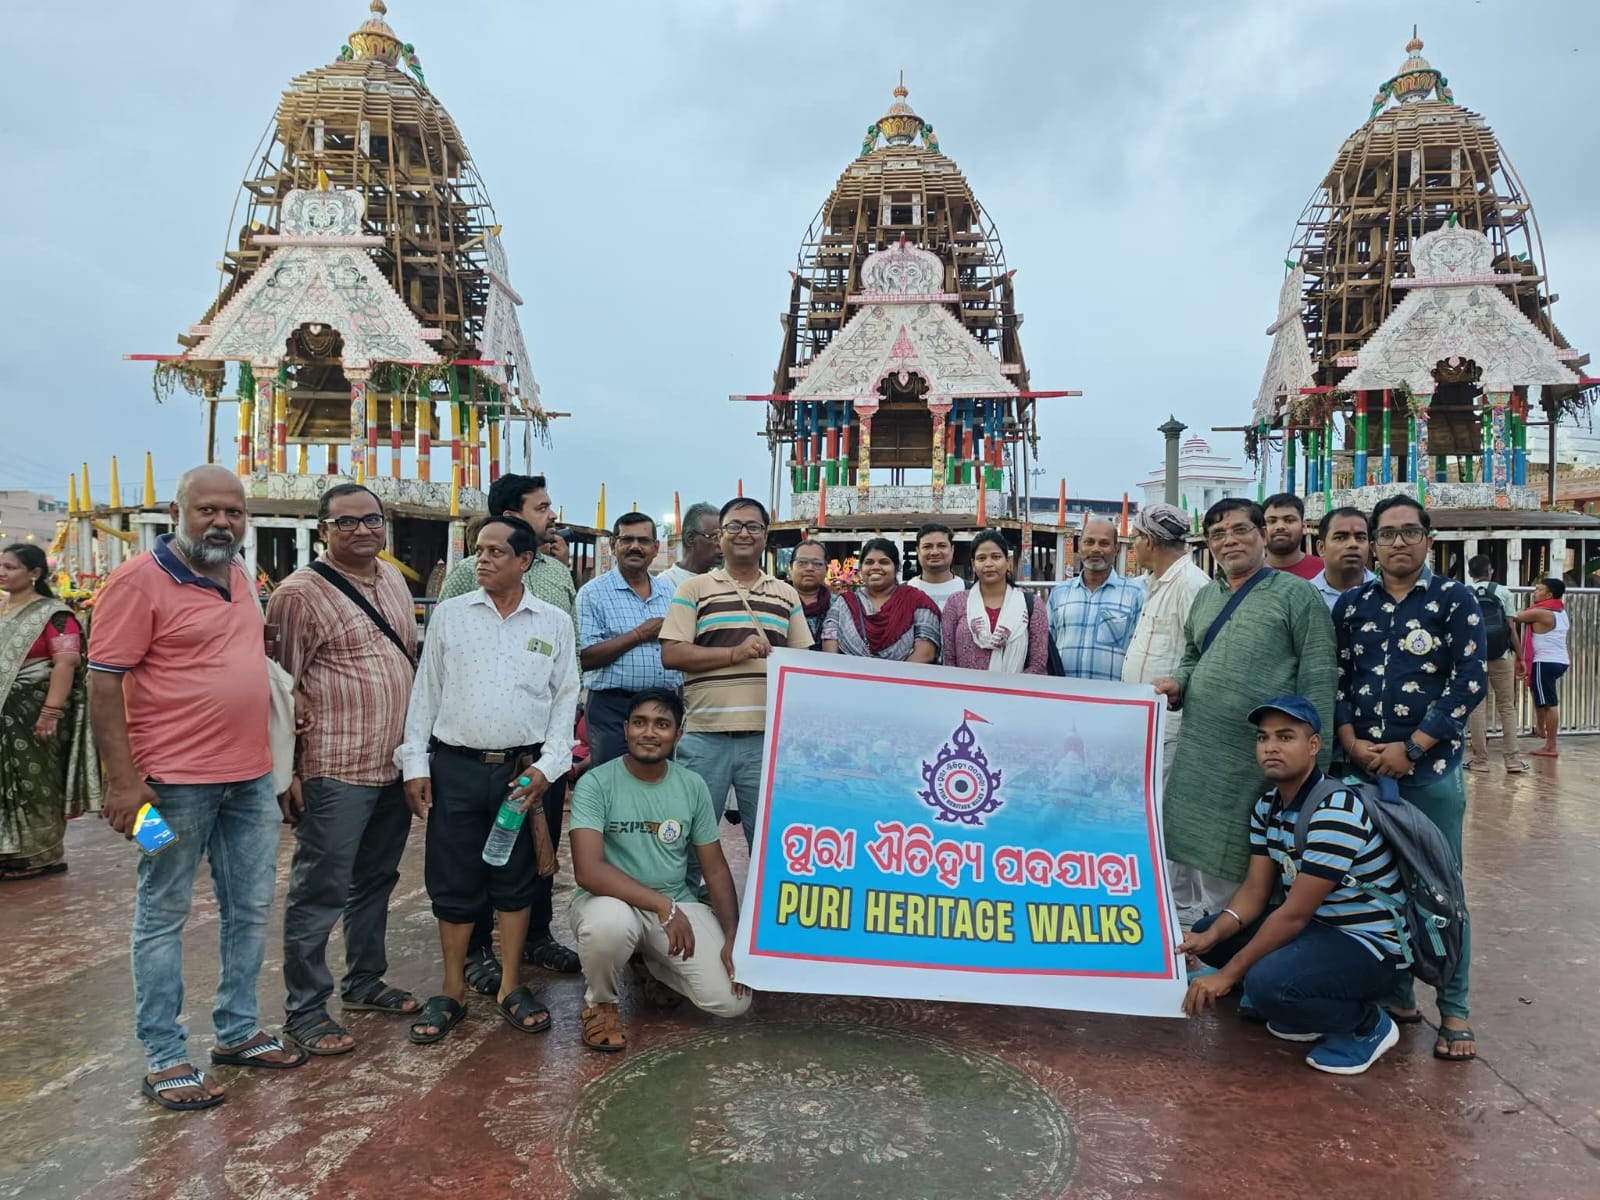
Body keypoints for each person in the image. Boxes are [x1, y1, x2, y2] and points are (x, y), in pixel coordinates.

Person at [88, 465, 306, 1111]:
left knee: (250, 907)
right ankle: (163, 1056)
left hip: (249, 781)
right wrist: (124, 785)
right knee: (162, 914)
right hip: (166, 790)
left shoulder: (237, 574)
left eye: (234, 512)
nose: (222, 522)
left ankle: (237, 1032)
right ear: (179, 512)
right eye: (208, 510)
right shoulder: (136, 582)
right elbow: (103, 686)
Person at [395, 515, 579, 1045]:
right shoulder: (452, 615)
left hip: (522, 776)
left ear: (526, 561)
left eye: (498, 552)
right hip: (454, 768)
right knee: (452, 882)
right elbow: (425, 693)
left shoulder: (553, 623)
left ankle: (511, 986)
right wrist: (416, 764)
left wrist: (547, 768)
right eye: (479, 550)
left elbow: (566, 699)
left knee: (516, 881)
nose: (483, 560)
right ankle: (451, 990)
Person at [265, 484, 420, 1056]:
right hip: (334, 766)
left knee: (377, 880)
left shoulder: (395, 580)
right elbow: (278, 686)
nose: (361, 530)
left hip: (394, 763)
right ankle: (305, 1009)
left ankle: (364, 981)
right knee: (319, 890)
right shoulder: (298, 594)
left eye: (371, 519)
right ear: (324, 530)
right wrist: (292, 772)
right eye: (345, 522)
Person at [1331, 495, 1485, 1061]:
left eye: (1409, 532)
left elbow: (1469, 682)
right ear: (1372, 541)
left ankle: (1456, 1007)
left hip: (1429, 771)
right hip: (1364, 769)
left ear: (1428, 538)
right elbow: (1340, 678)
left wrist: (1414, 746)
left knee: (1441, 884)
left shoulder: (1454, 600)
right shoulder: (1351, 606)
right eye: (1387, 533)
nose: (1397, 543)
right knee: (1377, 883)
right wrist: (1350, 741)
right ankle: (1395, 992)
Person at [1177, 697, 1404, 1076]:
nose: (1271, 747)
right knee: (1208, 932)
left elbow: (1295, 914)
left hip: (1368, 945)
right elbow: (1254, 891)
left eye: (1286, 737)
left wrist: (1229, 975)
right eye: (1263, 738)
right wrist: (1212, 935)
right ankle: (1298, 1004)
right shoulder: (1268, 806)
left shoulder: (1335, 809)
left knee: (1269, 985)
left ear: (1313, 745)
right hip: (1320, 930)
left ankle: (1366, 1024)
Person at [1154, 498, 1336, 930]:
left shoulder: (1297, 596)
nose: (1229, 541)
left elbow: (1319, 678)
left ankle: (1237, 946)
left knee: (1245, 855)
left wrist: (1314, 768)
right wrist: (1179, 682)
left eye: (1240, 530)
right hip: (1200, 756)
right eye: (1218, 534)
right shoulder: (1206, 598)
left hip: (1257, 761)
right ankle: (1206, 934)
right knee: (1193, 851)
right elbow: (1194, 656)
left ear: (1261, 535)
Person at [436, 473, 579, 986]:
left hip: (539, 749)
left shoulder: (555, 571)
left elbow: (569, 660)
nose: (552, 515)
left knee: (536, 847)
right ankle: (475, 952)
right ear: (514, 516)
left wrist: (557, 749)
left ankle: (536, 937)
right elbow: (447, 656)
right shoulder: (464, 579)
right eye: (542, 507)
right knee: (471, 857)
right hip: (472, 748)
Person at [569, 688, 751, 1052]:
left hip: (674, 904)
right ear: (625, 729)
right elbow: (588, 871)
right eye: (640, 723)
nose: (649, 732)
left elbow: (714, 870)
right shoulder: (597, 783)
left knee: (733, 1002)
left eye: (662, 724)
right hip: (608, 900)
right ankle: (602, 1005)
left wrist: (733, 936)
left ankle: (651, 965)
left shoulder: (691, 785)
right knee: (611, 926)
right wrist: (661, 906)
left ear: (678, 735)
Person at [660, 498, 812, 848]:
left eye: (753, 527)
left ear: (765, 536)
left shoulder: (785, 594)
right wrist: (734, 653)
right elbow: (671, 653)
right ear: (719, 536)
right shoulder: (693, 589)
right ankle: (691, 905)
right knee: (691, 842)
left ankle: (758, 905)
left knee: (767, 843)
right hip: (705, 735)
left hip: (765, 739)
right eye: (734, 526)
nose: (744, 533)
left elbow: (803, 663)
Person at [0, 543, 98, 881]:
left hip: (33, 716)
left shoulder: (55, 615)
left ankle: (40, 854)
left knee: (35, 782)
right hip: (3, 718)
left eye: (10, 567)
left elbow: (66, 662)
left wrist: (50, 711)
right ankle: (7, 850)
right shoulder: (2, 610)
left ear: (34, 573)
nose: (2, 572)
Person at [578, 512, 682, 768]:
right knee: (612, 780)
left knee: (657, 783)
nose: (635, 546)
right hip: (612, 707)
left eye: (643, 541)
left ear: (655, 548)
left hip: (662, 706)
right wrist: (640, 635)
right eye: (627, 540)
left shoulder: (671, 593)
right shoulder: (593, 593)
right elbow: (587, 657)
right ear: (614, 545)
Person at [1119, 504, 1210, 786]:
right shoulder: (1153, 583)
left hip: (1170, 725)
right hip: (1144, 720)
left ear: (1149, 540)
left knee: (1159, 801)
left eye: (1135, 536)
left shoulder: (1190, 584)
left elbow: (1203, 653)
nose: (1134, 543)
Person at [940, 530, 1050, 673]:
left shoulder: (1032, 604)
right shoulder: (956, 603)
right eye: (981, 558)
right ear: (973, 564)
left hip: (1015, 692)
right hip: (965, 692)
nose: (989, 564)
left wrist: (1006, 691)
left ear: (1008, 562)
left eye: (996, 557)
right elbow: (949, 660)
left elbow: (1038, 663)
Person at [1048, 517, 1143, 681]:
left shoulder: (1135, 595)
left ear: (1117, 548)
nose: (1095, 549)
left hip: (1113, 699)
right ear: (1079, 546)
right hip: (1065, 695)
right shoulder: (1059, 594)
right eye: (1089, 542)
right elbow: (1047, 647)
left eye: (1104, 543)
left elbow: (1141, 652)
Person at [822, 538, 941, 663]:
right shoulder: (844, 603)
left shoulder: (916, 601)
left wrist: (887, 681)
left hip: (904, 679)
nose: (876, 567)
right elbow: (830, 650)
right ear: (861, 569)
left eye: (884, 562)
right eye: (869, 562)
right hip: (849, 678)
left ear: (896, 567)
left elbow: (926, 653)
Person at [1465, 555, 1526, 774]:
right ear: (1490, 571)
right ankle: (1512, 760)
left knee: (1477, 708)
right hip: (1501, 655)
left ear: (1470, 573)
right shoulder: (1503, 592)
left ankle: (1480, 761)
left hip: (1473, 658)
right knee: (1507, 707)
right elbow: (1511, 628)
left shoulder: (1465, 593)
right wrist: (1521, 657)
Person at [1515, 577, 1570, 760]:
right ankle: (1541, 729)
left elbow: (1516, 616)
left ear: (1549, 594)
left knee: (1549, 703)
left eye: (1538, 589)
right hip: (1559, 660)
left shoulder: (1541, 613)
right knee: (1541, 696)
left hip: (1544, 662)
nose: (1534, 592)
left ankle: (1551, 745)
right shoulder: (1560, 611)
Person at [1310, 506, 1376, 612]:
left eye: (1360, 538)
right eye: (1340, 538)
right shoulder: (1305, 597)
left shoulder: (1386, 593)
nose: (1353, 544)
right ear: (1321, 548)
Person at [657, 501, 721, 593]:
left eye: (722, 536)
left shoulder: (723, 581)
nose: (720, 543)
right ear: (690, 538)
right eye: (714, 537)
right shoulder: (666, 583)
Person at [1263, 493, 1324, 580]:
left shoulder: (1326, 571)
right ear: (1261, 529)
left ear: (1303, 527)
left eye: (1289, 520)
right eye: (1272, 521)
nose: (1280, 526)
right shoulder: (1248, 575)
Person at [908, 523, 965, 608]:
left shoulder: (970, 590)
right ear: (918, 551)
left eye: (941, 546)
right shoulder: (903, 592)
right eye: (927, 546)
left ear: (952, 549)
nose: (935, 552)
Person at [789, 539, 832, 649]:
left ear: (826, 570)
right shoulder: (778, 601)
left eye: (817, 564)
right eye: (802, 563)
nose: (809, 568)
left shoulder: (839, 606)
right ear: (790, 568)